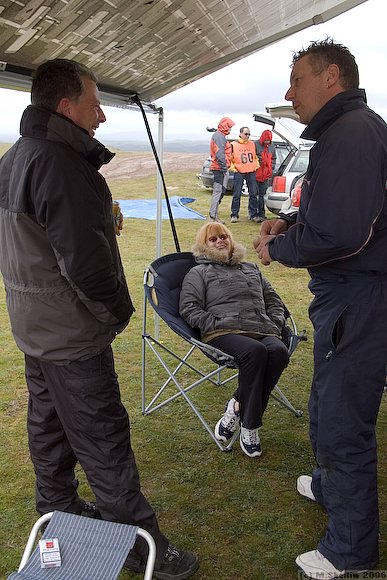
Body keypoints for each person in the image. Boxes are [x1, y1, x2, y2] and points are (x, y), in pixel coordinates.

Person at [0, 58, 198, 579]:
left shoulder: (17, 155)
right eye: (94, 105)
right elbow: (85, 268)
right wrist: (119, 311)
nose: (102, 117)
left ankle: (57, 509)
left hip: (34, 327)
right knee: (103, 439)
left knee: (47, 426)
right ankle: (140, 547)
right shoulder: (64, 166)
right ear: (66, 107)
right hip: (69, 334)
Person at [254, 38, 387, 578]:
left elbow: (343, 233)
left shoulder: (351, 135)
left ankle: (350, 552)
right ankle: (332, 488)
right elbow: (337, 212)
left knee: (342, 420)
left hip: (360, 295)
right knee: (328, 401)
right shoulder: (346, 132)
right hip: (350, 295)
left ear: (331, 76)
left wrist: (278, 248)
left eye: (296, 80)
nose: (289, 93)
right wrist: (288, 223)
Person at [179, 222, 289, 458]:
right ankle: (250, 427)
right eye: (213, 239)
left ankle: (235, 408)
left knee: (279, 351)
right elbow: (189, 308)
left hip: (261, 329)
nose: (220, 241)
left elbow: (274, 300)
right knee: (255, 352)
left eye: (223, 236)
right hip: (223, 333)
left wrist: (275, 323)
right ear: (204, 245)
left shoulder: (250, 268)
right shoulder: (199, 273)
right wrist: (217, 325)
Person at [229, 126, 260, 223]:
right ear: (240, 133)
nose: (247, 136)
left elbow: (255, 156)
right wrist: (233, 168)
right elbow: (229, 158)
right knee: (237, 194)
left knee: (253, 194)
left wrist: (256, 165)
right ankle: (234, 214)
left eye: (249, 134)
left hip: (251, 171)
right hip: (239, 172)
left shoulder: (252, 144)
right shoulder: (233, 144)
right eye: (246, 134)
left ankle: (253, 214)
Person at [208, 116, 235, 222]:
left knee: (220, 191)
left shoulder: (220, 136)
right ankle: (213, 217)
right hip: (219, 169)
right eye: (229, 127)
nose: (230, 129)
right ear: (225, 126)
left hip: (221, 168)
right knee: (218, 191)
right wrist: (224, 169)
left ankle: (214, 216)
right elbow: (220, 154)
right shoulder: (219, 137)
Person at [254, 129, 277, 221]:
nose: (267, 142)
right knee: (254, 195)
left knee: (262, 195)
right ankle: (253, 214)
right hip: (256, 174)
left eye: (269, 140)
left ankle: (262, 214)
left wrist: (272, 167)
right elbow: (253, 157)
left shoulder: (272, 146)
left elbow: (274, 158)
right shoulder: (255, 144)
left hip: (266, 175)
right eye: (266, 140)